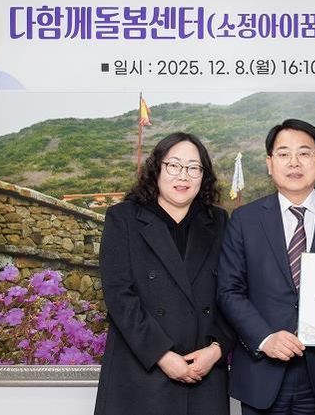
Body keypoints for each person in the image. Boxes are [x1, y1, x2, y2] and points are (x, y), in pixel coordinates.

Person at [217, 119, 315, 415]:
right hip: (262, 371)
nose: (294, 162)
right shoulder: (244, 220)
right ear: (270, 163)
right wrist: (265, 338)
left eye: (304, 153)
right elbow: (229, 291)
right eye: (284, 154)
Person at [95, 132, 234, 415]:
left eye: (193, 168)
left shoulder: (218, 221)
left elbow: (232, 290)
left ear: (203, 176)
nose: (183, 176)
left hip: (202, 371)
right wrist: (160, 354)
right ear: (157, 168)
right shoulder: (124, 218)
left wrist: (218, 349)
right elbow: (119, 294)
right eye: (174, 165)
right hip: (140, 370)